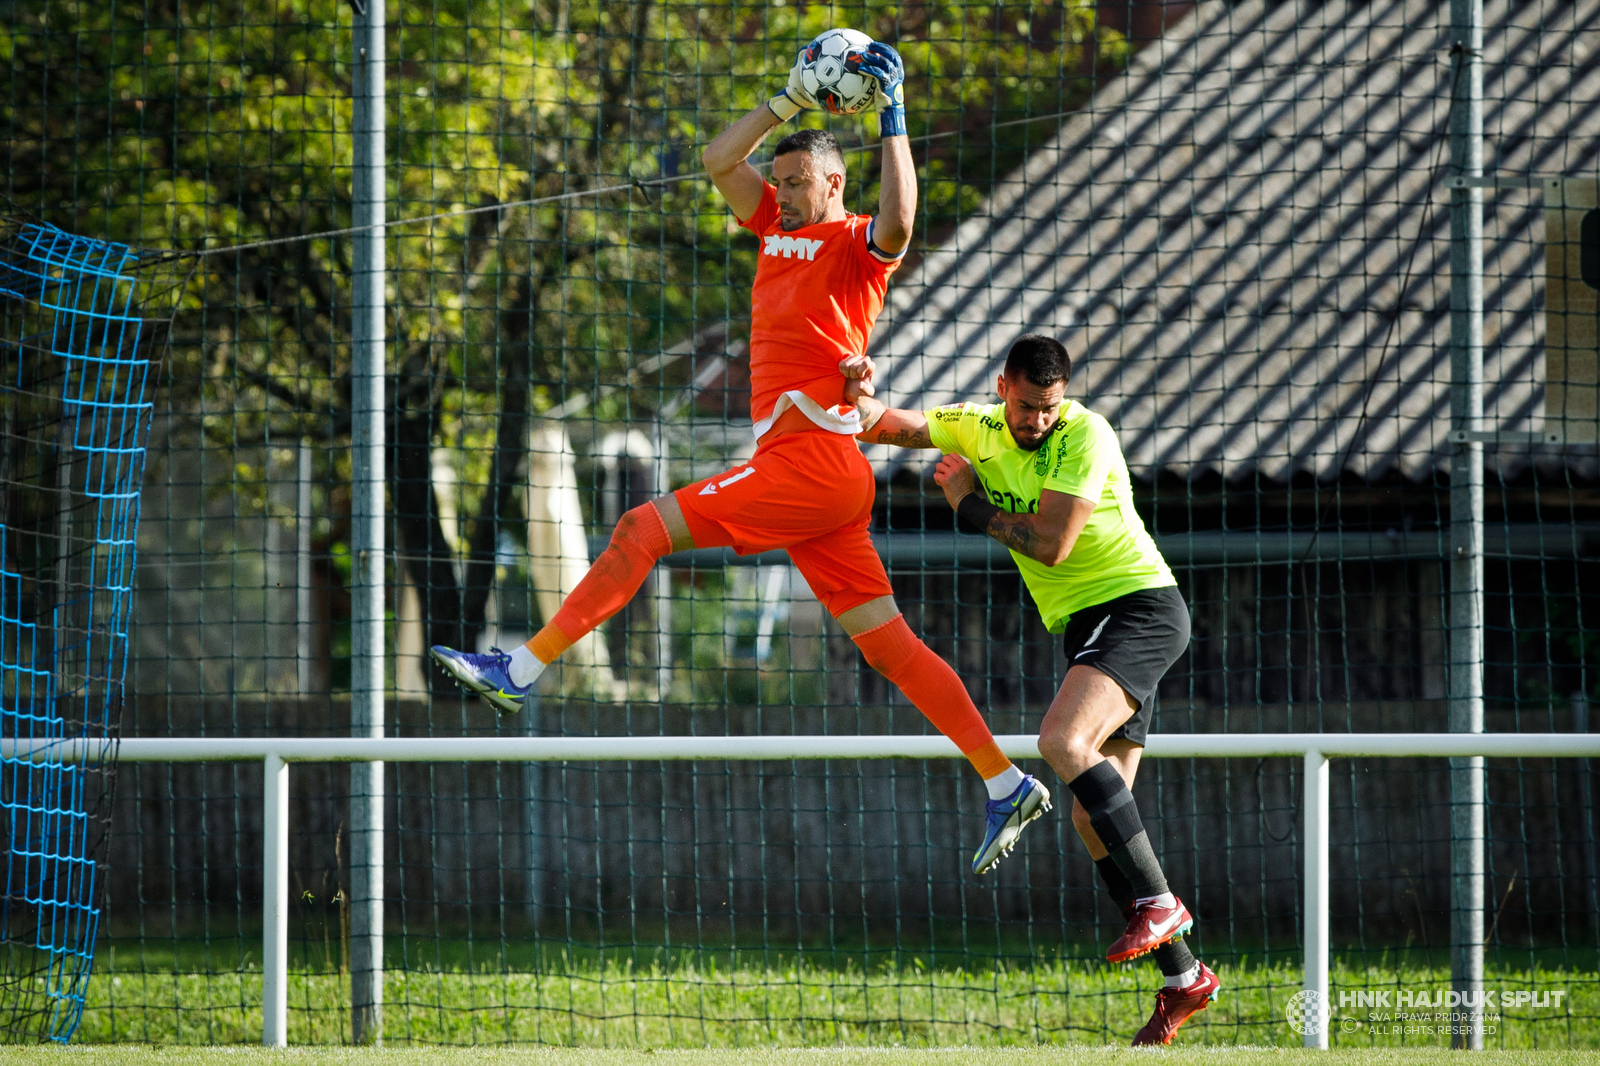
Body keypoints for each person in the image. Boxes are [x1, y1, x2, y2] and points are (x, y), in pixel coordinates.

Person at [429, 41, 1051, 876]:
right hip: (818, 474)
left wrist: (892, 114)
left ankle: (520, 668)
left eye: (800, 183)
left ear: (836, 183)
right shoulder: (772, 227)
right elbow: (719, 158)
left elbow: (902, 220)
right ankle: (1004, 779)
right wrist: (789, 100)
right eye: (782, 182)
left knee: (640, 528)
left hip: (811, 462)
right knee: (889, 646)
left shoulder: (859, 245)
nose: (785, 194)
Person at [849, 333, 1220, 1046]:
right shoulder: (979, 425)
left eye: (1048, 408)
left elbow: (1051, 545)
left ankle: (1162, 906)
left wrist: (966, 503)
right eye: (1025, 407)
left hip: (1138, 607)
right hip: (1087, 624)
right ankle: (1184, 978)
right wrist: (847, 379)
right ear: (1001, 388)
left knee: (1060, 742)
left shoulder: (1087, 435)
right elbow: (883, 422)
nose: (1036, 421)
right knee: (1093, 815)